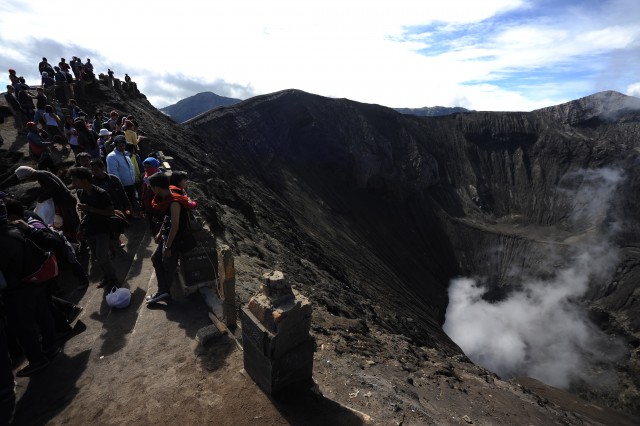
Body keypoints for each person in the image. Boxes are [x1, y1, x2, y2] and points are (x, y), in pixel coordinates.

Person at [0, 200, 59, 377]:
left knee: (22, 327)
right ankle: (51, 347)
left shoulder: (2, 239)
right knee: (43, 315)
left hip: (16, 289)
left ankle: (37, 359)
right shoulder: (18, 228)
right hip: (34, 280)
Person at [146, 173, 192, 304]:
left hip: (175, 239)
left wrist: (168, 246)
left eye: (151, 187)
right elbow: (168, 219)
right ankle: (163, 289)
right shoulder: (167, 198)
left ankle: (163, 291)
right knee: (156, 258)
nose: (151, 190)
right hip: (167, 235)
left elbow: (175, 226)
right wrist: (160, 233)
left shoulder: (174, 202)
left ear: (156, 188)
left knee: (168, 264)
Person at [70, 167, 118, 288]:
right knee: (97, 256)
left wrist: (91, 209)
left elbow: (111, 212)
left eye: (75, 180)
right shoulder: (81, 193)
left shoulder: (101, 193)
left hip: (102, 227)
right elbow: (84, 213)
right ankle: (107, 277)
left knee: (102, 255)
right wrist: (80, 227)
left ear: (85, 180)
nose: (73, 184)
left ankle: (113, 278)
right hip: (90, 228)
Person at [14, 166, 80, 242]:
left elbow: (55, 187)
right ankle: (76, 240)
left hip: (65, 201)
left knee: (71, 222)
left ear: (28, 175)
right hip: (64, 200)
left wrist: (42, 197)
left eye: (26, 179)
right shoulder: (41, 174)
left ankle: (81, 240)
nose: (27, 181)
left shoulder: (41, 175)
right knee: (67, 222)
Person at [106, 136, 139, 218]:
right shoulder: (112, 157)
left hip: (130, 184)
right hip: (122, 186)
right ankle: (127, 217)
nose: (122, 147)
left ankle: (131, 215)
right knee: (125, 202)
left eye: (123, 145)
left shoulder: (125, 154)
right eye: (120, 146)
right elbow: (113, 173)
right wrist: (118, 186)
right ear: (115, 145)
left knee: (131, 200)